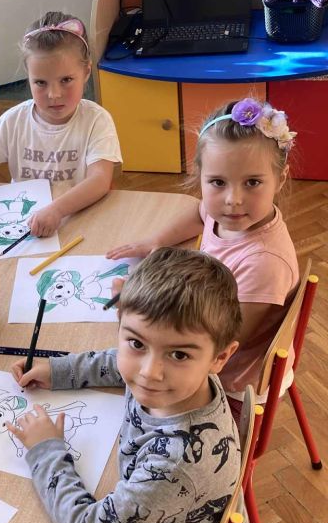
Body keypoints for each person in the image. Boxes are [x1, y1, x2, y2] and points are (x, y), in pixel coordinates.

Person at [7, 248, 242, 523]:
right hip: (152, 517)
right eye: (137, 343)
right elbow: (119, 361)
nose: (149, 372)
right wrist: (60, 371)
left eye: (178, 354)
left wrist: (45, 450)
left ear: (219, 358)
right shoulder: (185, 381)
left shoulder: (175, 466)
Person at [107, 98, 298, 419]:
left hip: (232, 383)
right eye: (218, 182)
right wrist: (156, 241)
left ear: (280, 179)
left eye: (252, 182)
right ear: (201, 177)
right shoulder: (226, 215)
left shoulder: (265, 263)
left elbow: (221, 342)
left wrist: (135, 311)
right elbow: (200, 213)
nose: (233, 200)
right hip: (203, 341)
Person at [0, 12, 122, 236]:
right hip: (22, 228)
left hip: (76, 221)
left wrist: (57, 210)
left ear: (86, 71)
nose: (54, 94)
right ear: (28, 76)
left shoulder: (97, 120)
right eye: (40, 82)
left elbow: (100, 180)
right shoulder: (14, 120)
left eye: (66, 80)